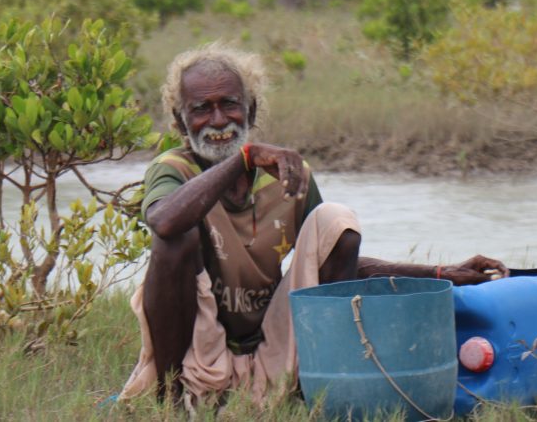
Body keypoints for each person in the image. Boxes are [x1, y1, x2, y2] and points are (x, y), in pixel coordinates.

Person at [118, 43, 508, 408]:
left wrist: (439, 273)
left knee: (335, 220)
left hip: (272, 348)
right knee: (175, 238)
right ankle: (167, 396)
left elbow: (334, 260)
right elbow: (164, 221)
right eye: (201, 108)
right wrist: (243, 159)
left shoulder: (288, 175)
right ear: (180, 122)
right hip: (198, 353)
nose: (217, 120)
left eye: (230, 105)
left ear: (251, 111)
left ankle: (318, 384)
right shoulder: (174, 169)